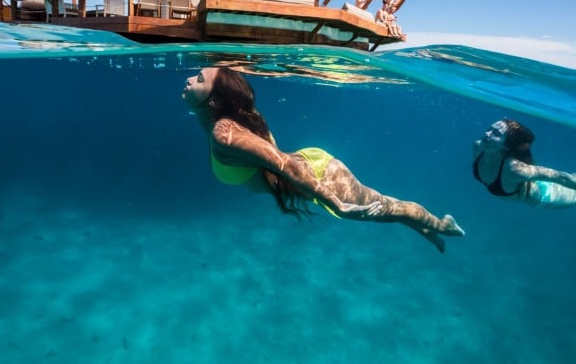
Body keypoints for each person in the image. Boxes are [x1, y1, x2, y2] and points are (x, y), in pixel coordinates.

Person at [183, 67, 465, 252]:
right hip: (310, 171)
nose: (189, 79)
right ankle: (427, 229)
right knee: (387, 212)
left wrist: (337, 204)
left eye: (199, 79)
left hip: (319, 176)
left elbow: (285, 165)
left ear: (215, 99)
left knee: (388, 207)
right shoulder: (222, 118)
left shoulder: (225, 133)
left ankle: (441, 224)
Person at [473, 119, 576, 207]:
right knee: (574, 179)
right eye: (489, 128)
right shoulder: (478, 146)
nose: (486, 134)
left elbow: (561, 177)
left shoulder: (514, 169)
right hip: (532, 182)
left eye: (495, 133)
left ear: (507, 145)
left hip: (545, 194)